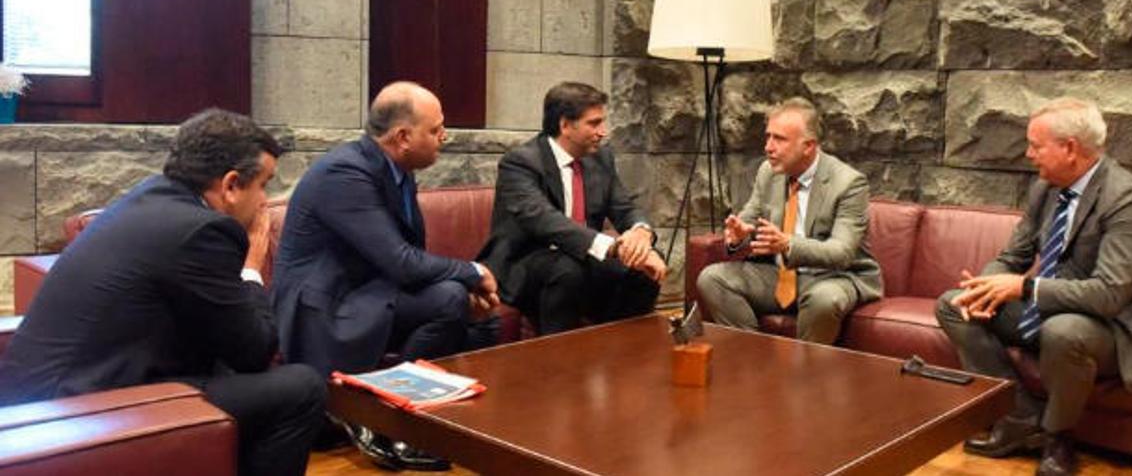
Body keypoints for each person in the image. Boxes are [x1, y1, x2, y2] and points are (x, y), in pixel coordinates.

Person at [0, 110, 326, 476]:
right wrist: (252, 266)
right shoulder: (204, 231)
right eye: (264, 184)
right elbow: (255, 351)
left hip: (29, 394)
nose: (265, 201)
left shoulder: (150, 197)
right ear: (231, 185)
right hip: (79, 409)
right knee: (303, 388)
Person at [935, 98, 1132, 476]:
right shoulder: (1046, 188)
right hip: (1057, 308)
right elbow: (1013, 256)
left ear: (1070, 148)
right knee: (954, 305)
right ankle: (1020, 418)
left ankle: (1058, 438)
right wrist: (984, 288)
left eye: (1036, 145)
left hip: (1116, 326)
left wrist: (1025, 288)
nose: (1028, 154)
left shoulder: (1126, 198)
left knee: (1063, 330)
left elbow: (1110, 293)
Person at [272, 81, 499, 471]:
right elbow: (402, 262)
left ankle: (424, 423)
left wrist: (465, 285)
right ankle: (390, 422)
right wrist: (472, 271)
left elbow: (407, 261)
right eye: (435, 129)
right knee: (449, 298)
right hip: (327, 305)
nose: (445, 137)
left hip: (369, 293)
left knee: (474, 316)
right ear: (402, 137)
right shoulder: (345, 173)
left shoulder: (398, 170)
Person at [478, 81, 666, 335]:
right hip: (525, 263)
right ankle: (559, 365)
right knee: (567, 270)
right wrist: (614, 247)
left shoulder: (600, 157)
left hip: (581, 259)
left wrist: (641, 234)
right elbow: (544, 221)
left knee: (646, 268)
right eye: (594, 123)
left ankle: (616, 350)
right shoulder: (520, 163)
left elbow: (624, 208)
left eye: (602, 122)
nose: (603, 131)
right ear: (565, 125)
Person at [696, 98, 882, 344]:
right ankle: (756, 363)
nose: (768, 147)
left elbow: (842, 252)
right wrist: (740, 235)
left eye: (779, 139)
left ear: (809, 146)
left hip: (835, 276)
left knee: (824, 299)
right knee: (712, 279)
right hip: (780, 273)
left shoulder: (848, 183)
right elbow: (749, 219)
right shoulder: (768, 172)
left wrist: (787, 245)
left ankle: (804, 377)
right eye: (768, 137)